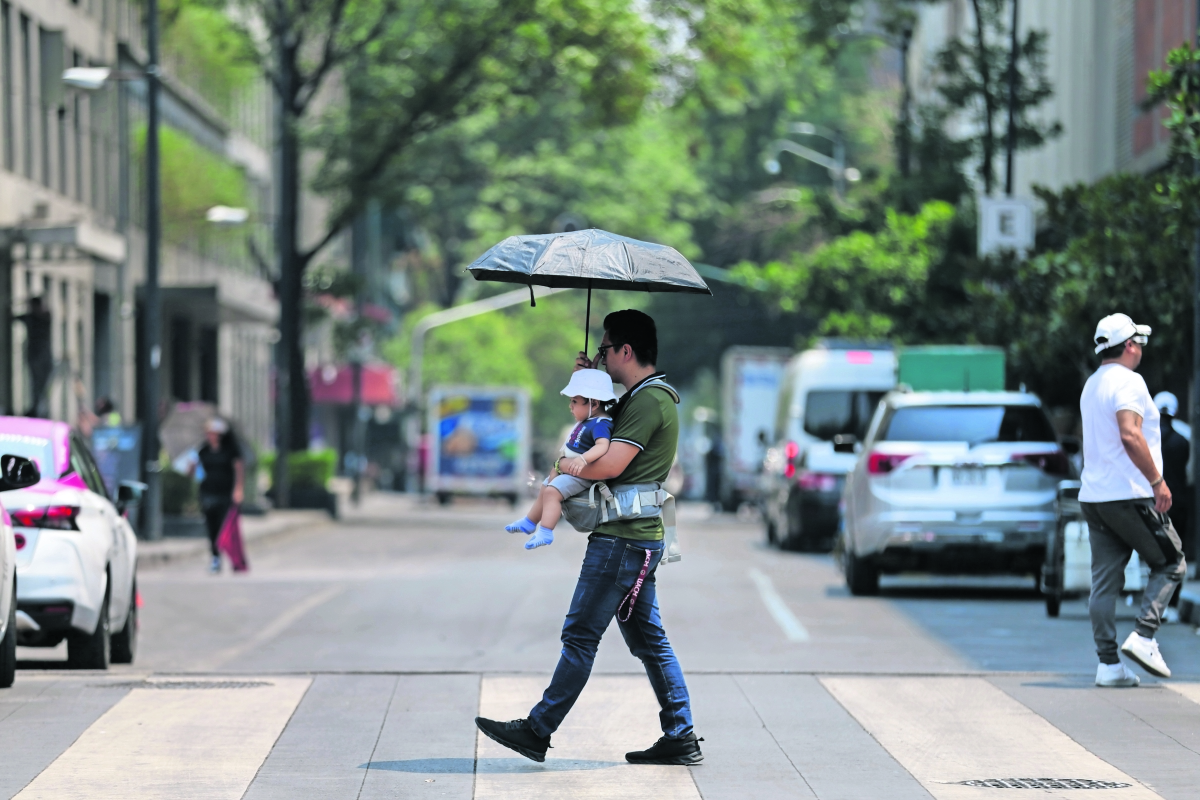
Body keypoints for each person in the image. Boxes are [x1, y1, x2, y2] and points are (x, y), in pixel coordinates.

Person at [475, 309, 702, 765]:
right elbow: (597, 421)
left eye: (604, 350)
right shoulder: (637, 398)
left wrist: (561, 467)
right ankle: (680, 734)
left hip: (621, 540)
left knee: (580, 635)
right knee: (648, 640)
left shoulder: (649, 401)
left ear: (626, 351)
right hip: (632, 538)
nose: (601, 356)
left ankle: (538, 730)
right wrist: (589, 382)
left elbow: (609, 464)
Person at [1079, 314, 1186, 687]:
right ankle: (1143, 635)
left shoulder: (1091, 385)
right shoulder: (1129, 381)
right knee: (1172, 562)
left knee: (1104, 583)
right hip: (1130, 494)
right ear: (1129, 345)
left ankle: (1108, 665)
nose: (1140, 349)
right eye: (1138, 342)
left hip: (1094, 497)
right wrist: (1157, 481)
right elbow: (1130, 434)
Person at [505, 369, 615, 549]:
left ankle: (546, 531)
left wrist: (583, 460)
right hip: (568, 470)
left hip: (580, 475)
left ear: (594, 403)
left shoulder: (601, 424)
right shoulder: (586, 421)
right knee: (545, 488)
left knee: (552, 492)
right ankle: (529, 521)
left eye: (574, 402)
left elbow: (602, 446)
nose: (570, 406)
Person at [191, 418, 244, 574]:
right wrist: (191, 467)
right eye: (208, 433)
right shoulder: (203, 450)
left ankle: (233, 557)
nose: (211, 436)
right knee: (212, 527)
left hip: (225, 493)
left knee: (225, 527)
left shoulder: (230, 450)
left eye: (213, 433)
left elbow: (239, 469)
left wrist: (238, 489)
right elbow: (194, 472)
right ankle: (215, 557)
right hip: (208, 492)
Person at [1153, 391, 1191, 567]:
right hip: (1177, 502)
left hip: (1151, 503)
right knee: (1176, 551)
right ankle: (1173, 591)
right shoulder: (1183, 441)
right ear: (1175, 412)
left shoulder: (1145, 441)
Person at [15, 297, 52, 417]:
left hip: (42, 358)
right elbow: (15, 317)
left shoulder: (43, 316)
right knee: (35, 386)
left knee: (41, 387)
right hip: (35, 357)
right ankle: (36, 409)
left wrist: (23, 303)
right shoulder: (32, 316)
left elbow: (35, 315)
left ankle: (39, 410)